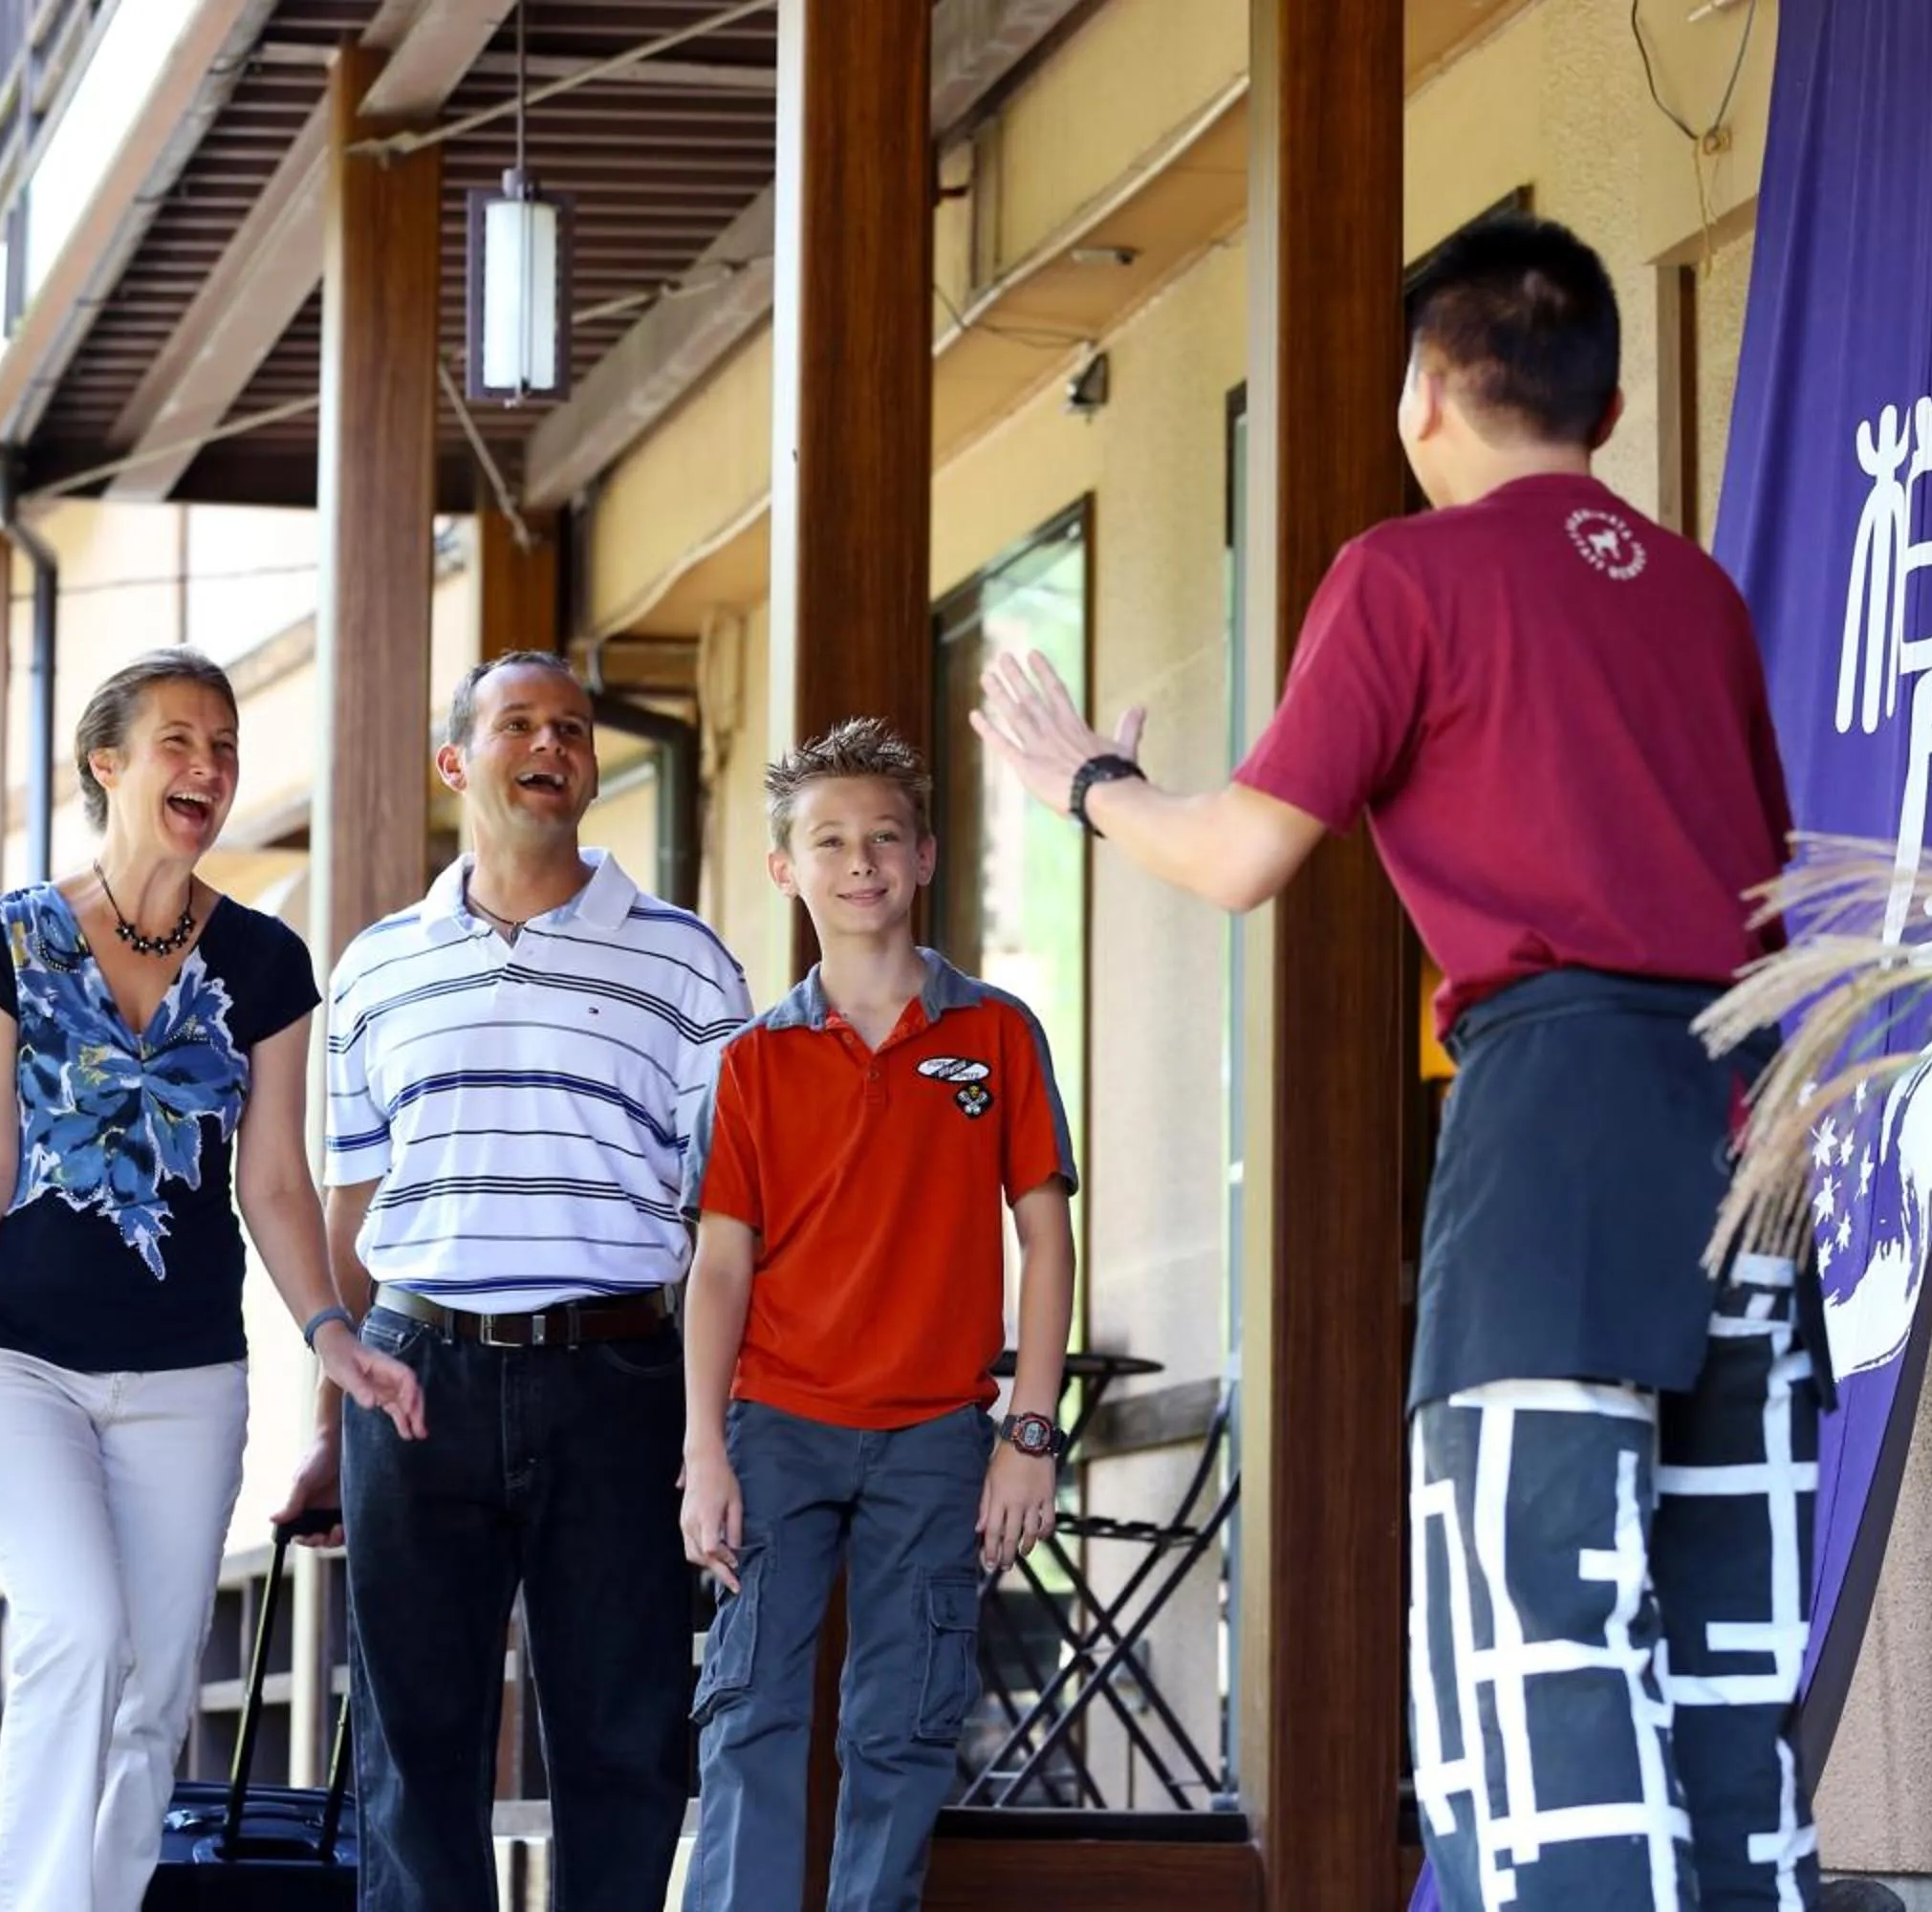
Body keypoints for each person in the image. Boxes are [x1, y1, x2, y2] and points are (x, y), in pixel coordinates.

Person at [970, 211, 1825, 1910]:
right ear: (1612, 392)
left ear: (1429, 392)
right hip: (1754, 1119)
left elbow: (1237, 858)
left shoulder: (1405, 575)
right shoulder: (1704, 598)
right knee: (1733, 1677)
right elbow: (1773, 905)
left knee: (1544, 1654)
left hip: (1560, 1125)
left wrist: (1086, 781)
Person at [0, 647, 423, 1912]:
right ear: (106, 764)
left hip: (187, 1377)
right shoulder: (2, 942)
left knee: (154, 1687)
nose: (209, 768)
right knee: (74, 1631)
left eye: (223, 746)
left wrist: (331, 1333)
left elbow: (274, 1182)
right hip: (9, 1362)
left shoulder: (268, 966)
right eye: (179, 741)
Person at [277, 650, 752, 1912]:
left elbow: (733, 1217)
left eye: (576, 729)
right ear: (456, 763)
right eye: (521, 724)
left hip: (622, 1378)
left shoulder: (690, 964)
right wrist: (334, 1421)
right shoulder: (376, 968)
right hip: (413, 1379)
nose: (554, 745)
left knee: (624, 1733)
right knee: (412, 1747)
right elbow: (349, 1203)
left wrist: (719, 1428)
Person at [676, 717, 1076, 1912]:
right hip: (777, 1425)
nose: (861, 862)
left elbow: (1046, 1238)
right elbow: (718, 1268)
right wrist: (704, 1447)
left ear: (930, 856)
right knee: (751, 1713)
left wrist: (1030, 1431)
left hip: (938, 1440)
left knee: (904, 1723)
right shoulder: (752, 1061)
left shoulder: (995, 1034)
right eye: (830, 840)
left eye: (885, 837)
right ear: (784, 869)